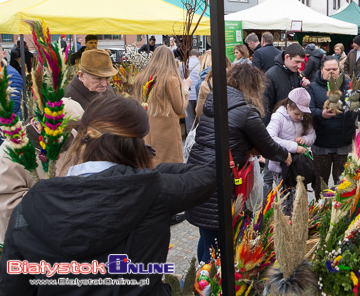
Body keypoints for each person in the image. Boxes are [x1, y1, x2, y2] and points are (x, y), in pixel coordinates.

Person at [0, 95, 217, 295]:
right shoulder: (154, 191)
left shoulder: (30, 205)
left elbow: (13, 287)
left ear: (84, 138)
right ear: (138, 145)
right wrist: (149, 173)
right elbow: (205, 175)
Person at [185, 63, 291, 263]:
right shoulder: (245, 111)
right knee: (217, 245)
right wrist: (285, 154)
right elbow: (267, 145)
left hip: (199, 171)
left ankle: (200, 278)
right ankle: (210, 285)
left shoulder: (215, 100)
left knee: (206, 235)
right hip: (220, 181)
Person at [0, 98, 83, 241]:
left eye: (72, 127)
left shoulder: (73, 138)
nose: (68, 132)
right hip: (28, 237)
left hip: (64, 231)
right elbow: (7, 201)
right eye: (65, 128)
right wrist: (53, 202)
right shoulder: (12, 149)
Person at [307, 56, 355, 199]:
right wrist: (321, 114)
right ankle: (320, 208)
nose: (331, 72)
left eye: (335, 69)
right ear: (322, 70)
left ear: (339, 70)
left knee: (341, 182)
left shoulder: (348, 85)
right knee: (320, 181)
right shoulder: (313, 88)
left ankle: (338, 210)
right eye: (328, 69)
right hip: (322, 143)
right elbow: (309, 109)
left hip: (343, 142)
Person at [135, 45, 192, 166]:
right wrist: (186, 89)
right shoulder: (170, 79)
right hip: (166, 130)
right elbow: (180, 108)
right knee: (169, 168)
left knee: (149, 163)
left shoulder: (140, 78)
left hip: (146, 127)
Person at [266, 88, 316, 208]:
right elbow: (270, 137)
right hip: (281, 166)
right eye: (296, 114)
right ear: (288, 107)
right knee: (285, 201)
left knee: (300, 200)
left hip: (299, 166)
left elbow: (312, 135)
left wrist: (305, 139)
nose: (299, 117)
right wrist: (294, 147)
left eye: (302, 114)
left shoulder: (305, 118)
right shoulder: (278, 117)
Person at [263, 43, 307, 126]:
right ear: (287, 57)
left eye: (301, 62)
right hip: (277, 126)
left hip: (295, 124)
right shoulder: (271, 75)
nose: (299, 66)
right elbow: (265, 107)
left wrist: (307, 88)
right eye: (297, 62)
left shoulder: (299, 75)